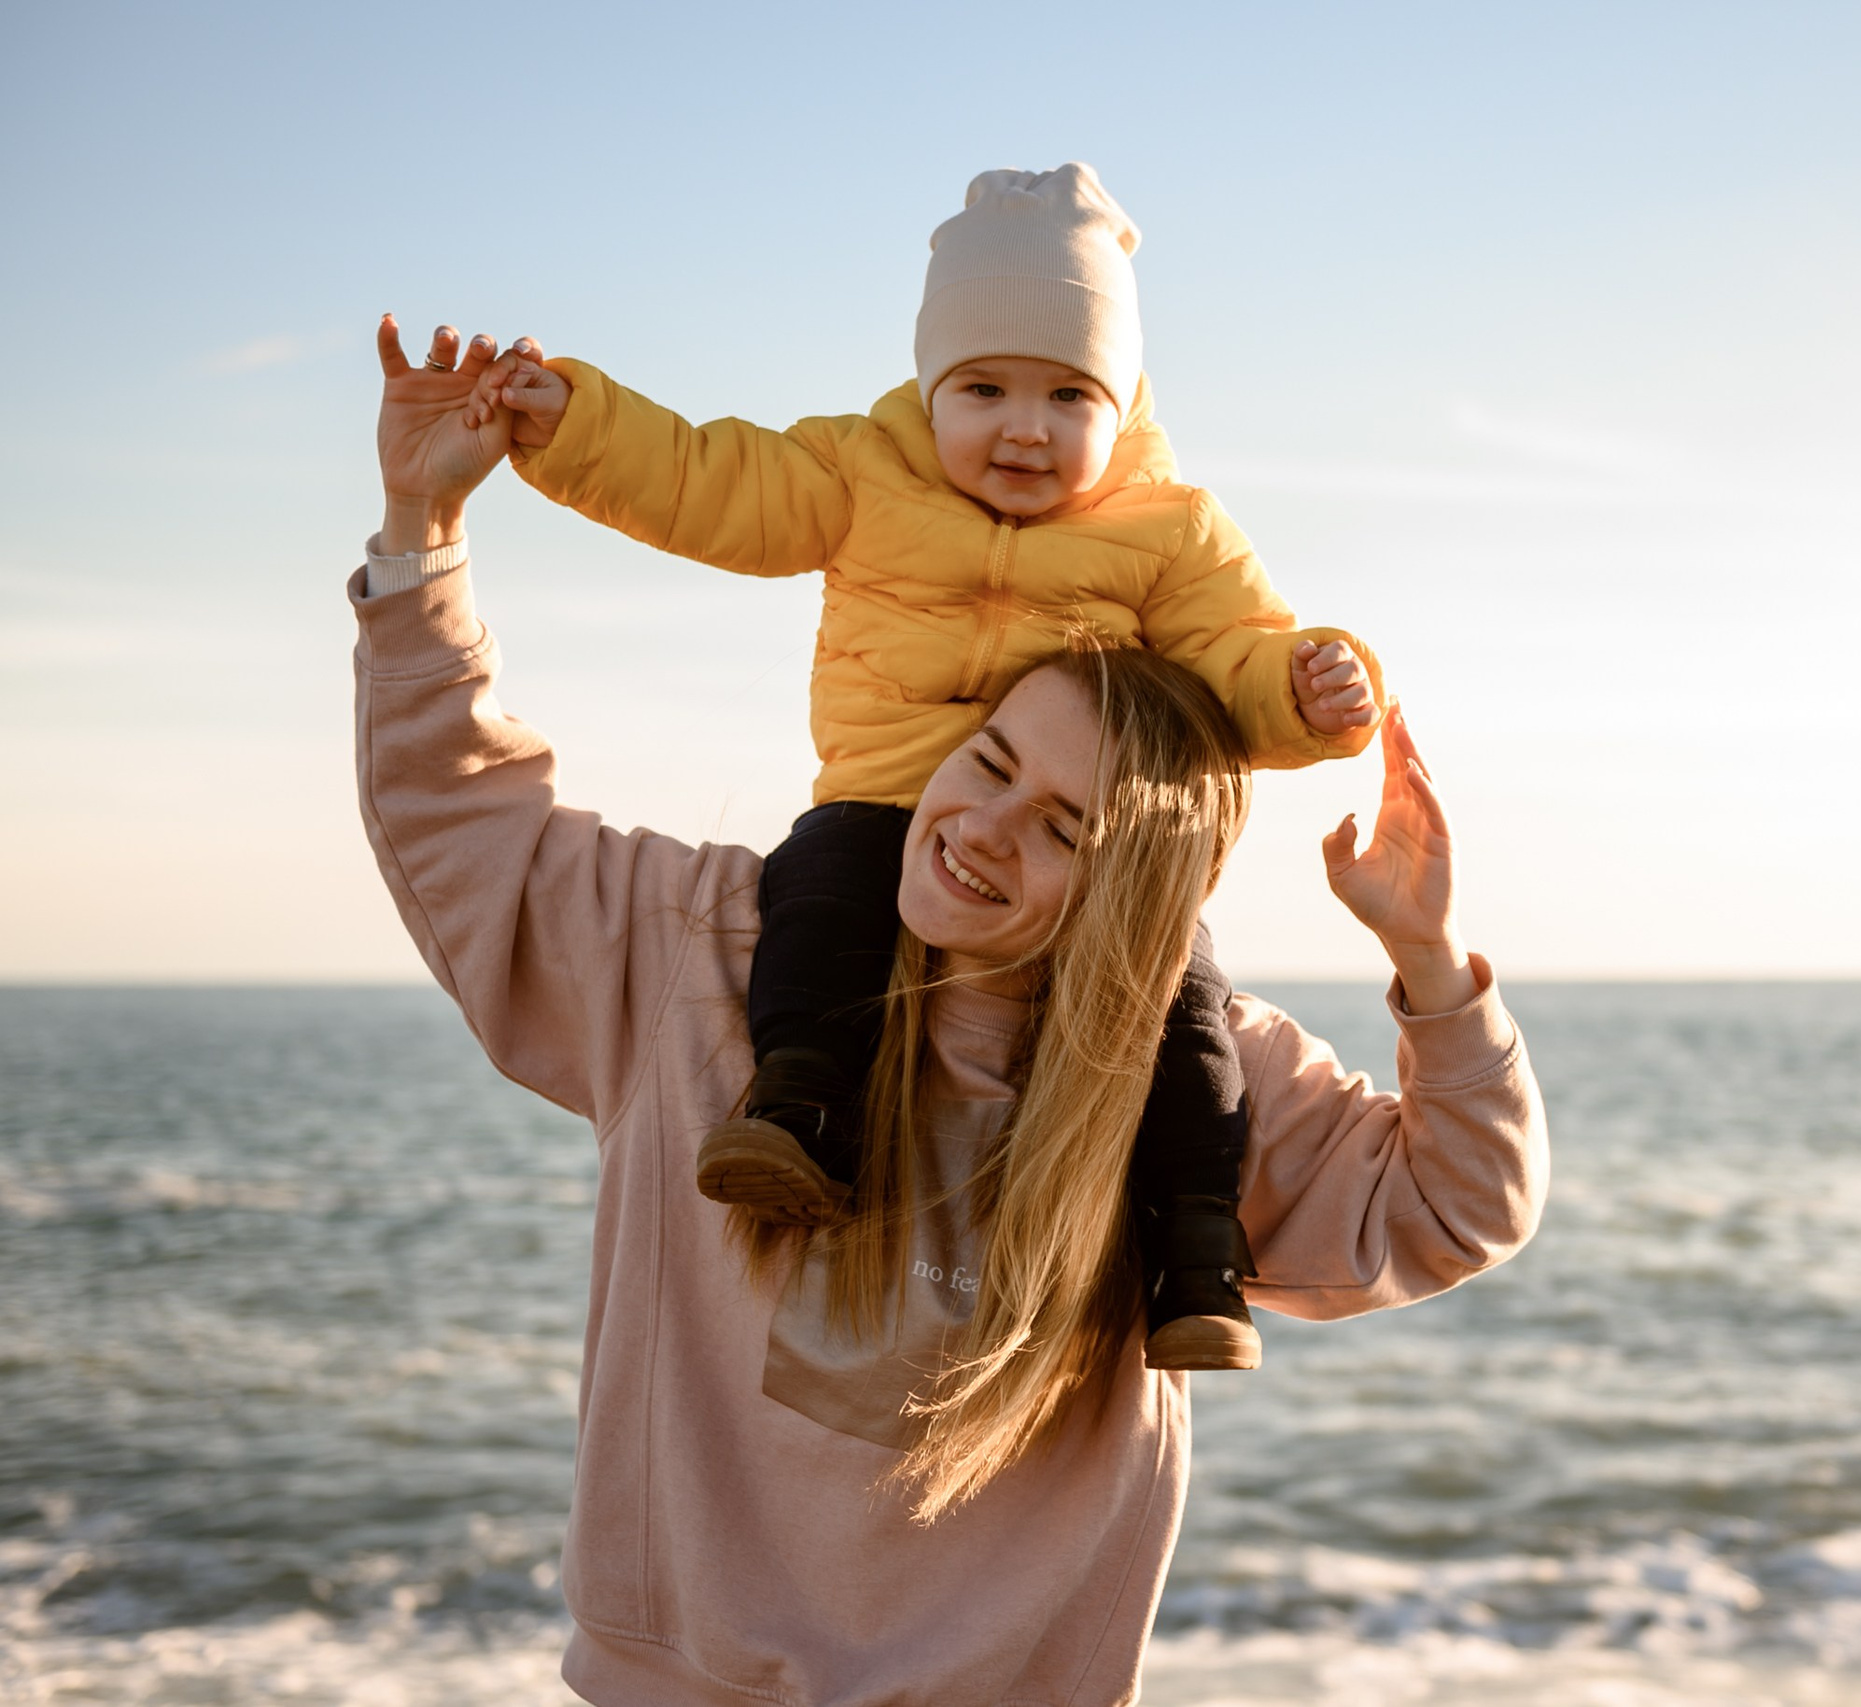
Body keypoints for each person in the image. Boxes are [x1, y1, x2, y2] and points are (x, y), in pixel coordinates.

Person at [357, 314, 1546, 1706]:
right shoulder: (709, 952)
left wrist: (1431, 957)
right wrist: (419, 528)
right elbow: (463, 821)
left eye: (1064, 828)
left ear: (1138, 898)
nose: (982, 826)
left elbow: (1459, 1204)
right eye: (985, 760)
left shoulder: (1185, 1080)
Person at [456, 164, 1384, 1373]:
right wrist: (573, 418)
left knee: (1176, 1002)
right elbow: (705, 480)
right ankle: (799, 1113)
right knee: (821, 898)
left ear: (1123, 400)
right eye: (984, 387)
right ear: (929, 384)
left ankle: (1194, 1251)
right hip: (888, 792)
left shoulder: (1170, 531)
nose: (1024, 427)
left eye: (1068, 395)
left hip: (1072, 841)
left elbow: (1234, 661)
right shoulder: (861, 471)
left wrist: (1309, 690)